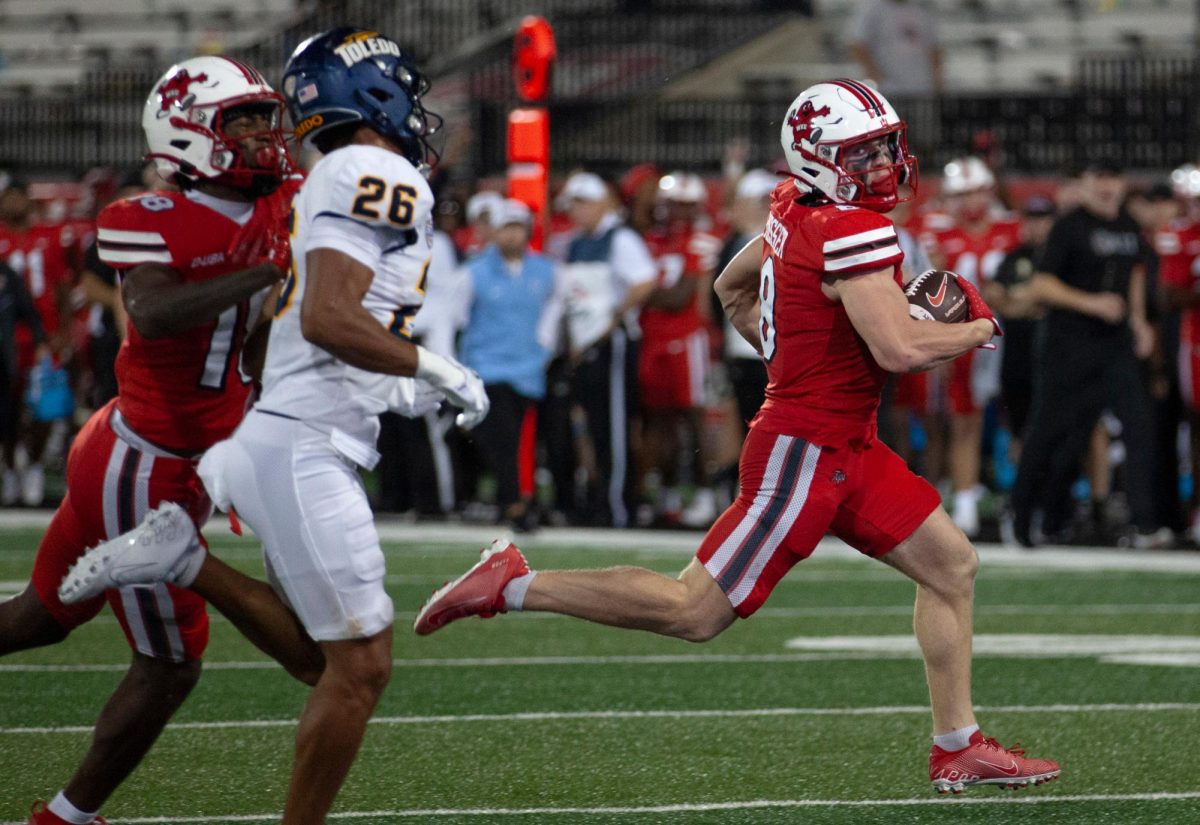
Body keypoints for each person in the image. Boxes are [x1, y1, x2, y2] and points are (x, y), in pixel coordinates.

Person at [413, 79, 1060, 794]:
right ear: (818, 157)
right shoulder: (852, 228)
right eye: (863, 152)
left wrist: (787, 353)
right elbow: (900, 350)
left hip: (842, 442)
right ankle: (514, 583)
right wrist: (979, 326)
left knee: (950, 565)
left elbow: (731, 287)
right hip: (805, 450)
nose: (883, 164)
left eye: (884, 147)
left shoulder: (794, 206)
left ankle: (957, 743)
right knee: (694, 610)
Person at [60, 27, 489, 823]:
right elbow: (327, 316)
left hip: (292, 433)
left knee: (325, 660)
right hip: (301, 443)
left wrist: (394, 390)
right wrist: (434, 368)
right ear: (373, 97)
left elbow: (302, 323)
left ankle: (185, 557)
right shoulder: (370, 167)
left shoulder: (334, 175)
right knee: (357, 670)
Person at [6, 56, 321, 825]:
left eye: (259, 117)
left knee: (40, 617)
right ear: (188, 135)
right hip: (143, 467)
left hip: (160, 452)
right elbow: (148, 309)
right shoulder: (144, 214)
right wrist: (262, 272)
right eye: (238, 120)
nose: (259, 135)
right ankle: (64, 818)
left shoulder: (288, 198)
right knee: (170, 665)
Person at [1009, 158, 1165, 548]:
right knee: (1051, 430)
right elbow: (1042, 285)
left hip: (1114, 345)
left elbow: (1134, 274)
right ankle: (1022, 516)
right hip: (1069, 344)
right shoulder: (1069, 226)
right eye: (1100, 178)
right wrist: (1092, 303)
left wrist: (1139, 321)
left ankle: (1144, 525)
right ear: (1088, 183)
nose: (1107, 186)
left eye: (1114, 178)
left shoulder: (1127, 226)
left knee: (1139, 425)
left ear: (1122, 183)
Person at [455, 197, 563, 531]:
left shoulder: (546, 271)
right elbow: (454, 318)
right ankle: (514, 503)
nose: (512, 236)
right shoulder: (472, 273)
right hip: (485, 367)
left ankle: (514, 500)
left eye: (518, 227)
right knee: (503, 436)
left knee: (519, 439)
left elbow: (554, 310)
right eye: (506, 228)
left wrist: (545, 347)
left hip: (529, 370)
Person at [559, 171, 657, 526]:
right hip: (585, 346)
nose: (576, 211)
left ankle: (616, 504)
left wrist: (611, 319)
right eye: (573, 204)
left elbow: (644, 280)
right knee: (594, 427)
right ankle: (601, 497)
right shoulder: (575, 242)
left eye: (582, 203)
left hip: (611, 344)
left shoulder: (621, 239)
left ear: (602, 204)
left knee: (614, 426)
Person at [639, 171, 723, 526]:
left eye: (683, 206)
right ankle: (669, 496)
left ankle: (706, 495)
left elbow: (679, 296)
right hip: (653, 339)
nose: (675, 213)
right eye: (671, 205)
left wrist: (642, 294)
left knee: (694, 419)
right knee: (659, 423)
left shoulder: (702, 240)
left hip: (688, 339)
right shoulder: (650, 240)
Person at [0, 178, 76, 505]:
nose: (14, 203)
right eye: (8, 197)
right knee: (8, 409)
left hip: (43, 336)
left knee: (47, 405)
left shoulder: (49, 237)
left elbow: (61, 286)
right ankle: (9, 468)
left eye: (19, 196)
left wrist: (64, 331)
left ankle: (32, 466)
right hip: (6, 337)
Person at [845, 0, 943, 98]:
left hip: (921, 88)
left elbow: (934, 49)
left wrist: (936, 82)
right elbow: (858, 45)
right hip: (888, 89)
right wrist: (875, 77)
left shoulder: (921, 11)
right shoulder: (871, 10)